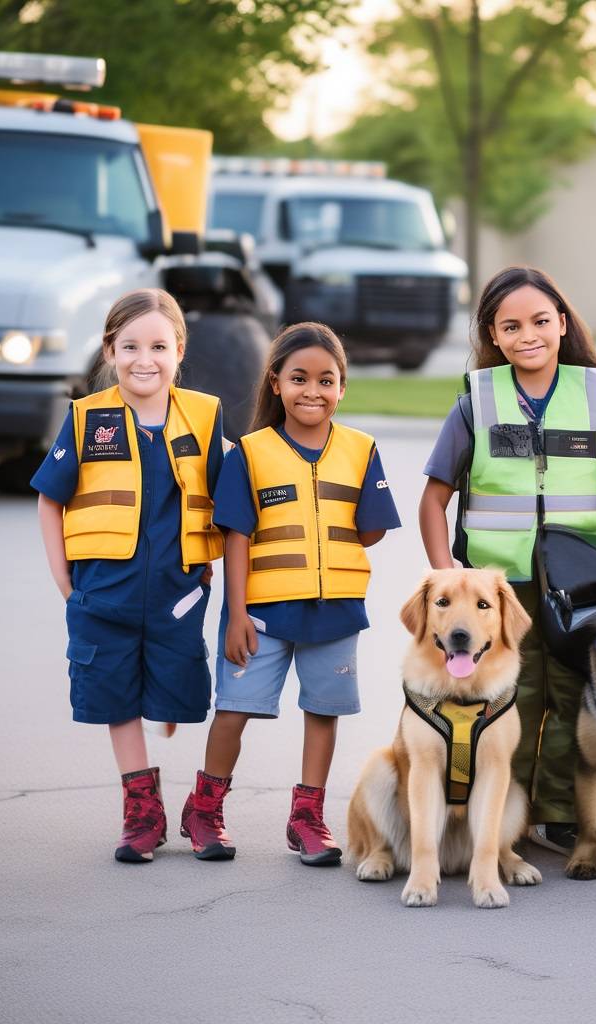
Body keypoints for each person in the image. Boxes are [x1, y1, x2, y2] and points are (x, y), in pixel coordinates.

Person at [419, 266, 596, 863]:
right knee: (509, 702)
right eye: (512, 325)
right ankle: (498, 820)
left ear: (562, 323)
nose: (529, 334)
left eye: (541, 321)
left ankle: (559, 819)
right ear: (493, 336)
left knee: (579, 701)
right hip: (498, 597)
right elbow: (432, 500)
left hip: (584, 591)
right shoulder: (477, 400)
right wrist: (449, 583)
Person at [182, 323, 400, 866]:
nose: (313, 391)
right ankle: (204, 810)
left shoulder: (361, 449)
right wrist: (236, 616)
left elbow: (372, 529)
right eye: (299, 378)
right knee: (234, 710)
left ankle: (307, 818)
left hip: (336, 611)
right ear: (275, 383)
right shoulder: (251, 454)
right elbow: (237, 537)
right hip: (262, 613)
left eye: (327, 380)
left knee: (322, 713)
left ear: (342, 388)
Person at [32, 288, 224, 863]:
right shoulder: (88, 419)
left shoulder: (205, 416)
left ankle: (194, 791)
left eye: (159, 346)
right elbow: (49, 501)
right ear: (110, 350)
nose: (146, 359)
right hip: (103, 596)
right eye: (131, 346)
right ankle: (142, 812)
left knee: (183, 696)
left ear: (179, 350)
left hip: (177, 596)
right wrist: (68, 587)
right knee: (116, 698)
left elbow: (230, 495)